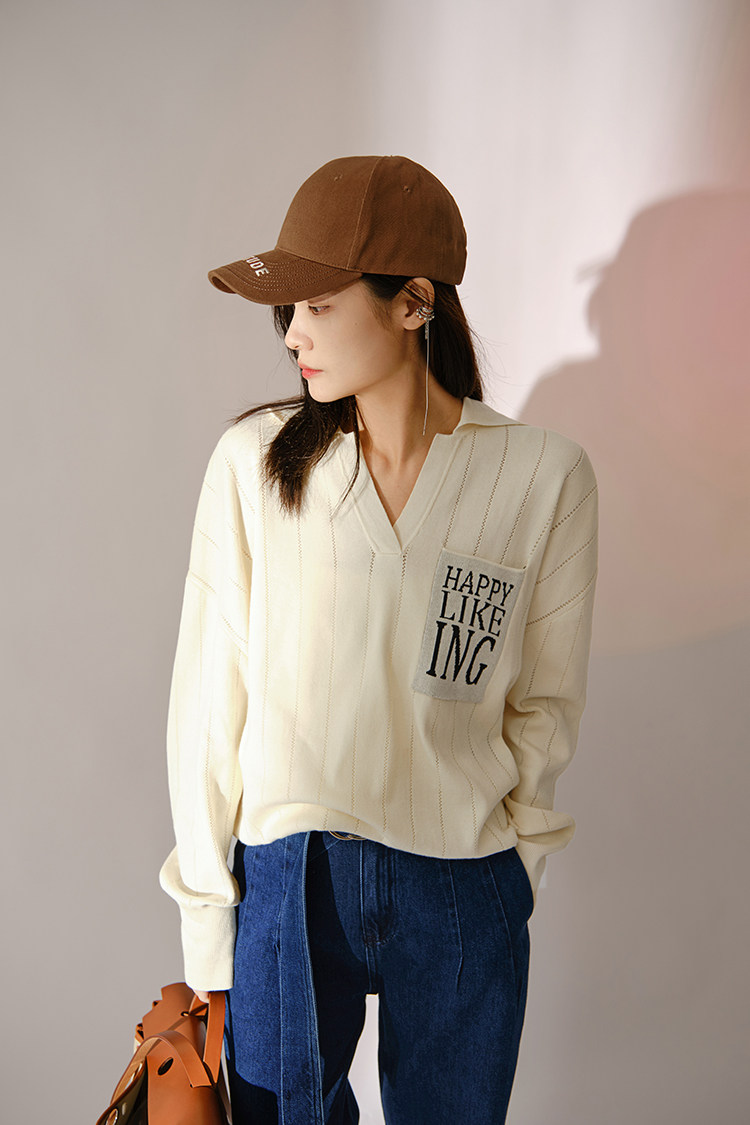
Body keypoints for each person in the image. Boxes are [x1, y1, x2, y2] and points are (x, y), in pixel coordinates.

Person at [159, 155, 598, 1125]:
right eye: (290, 312)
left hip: (464, 884)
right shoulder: (254, 467)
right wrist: (208, 931)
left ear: (412, 304)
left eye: (319, 305)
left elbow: (545, 706)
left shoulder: (542, 478)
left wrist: (508, 876)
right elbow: (208, 707)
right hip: (291, 875)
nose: (293, 334)